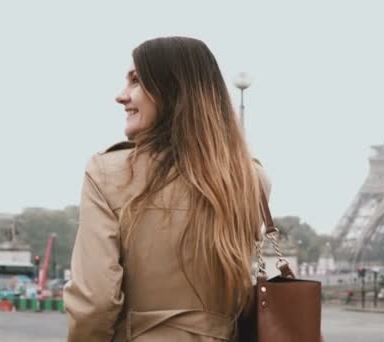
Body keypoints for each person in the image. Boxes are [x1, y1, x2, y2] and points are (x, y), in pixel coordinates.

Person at [63, 36, 270, 341]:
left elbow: (95, 301)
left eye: (136, 81)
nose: (120, 96)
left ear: (171, 89)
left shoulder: (108, 172)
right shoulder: (250, 177)